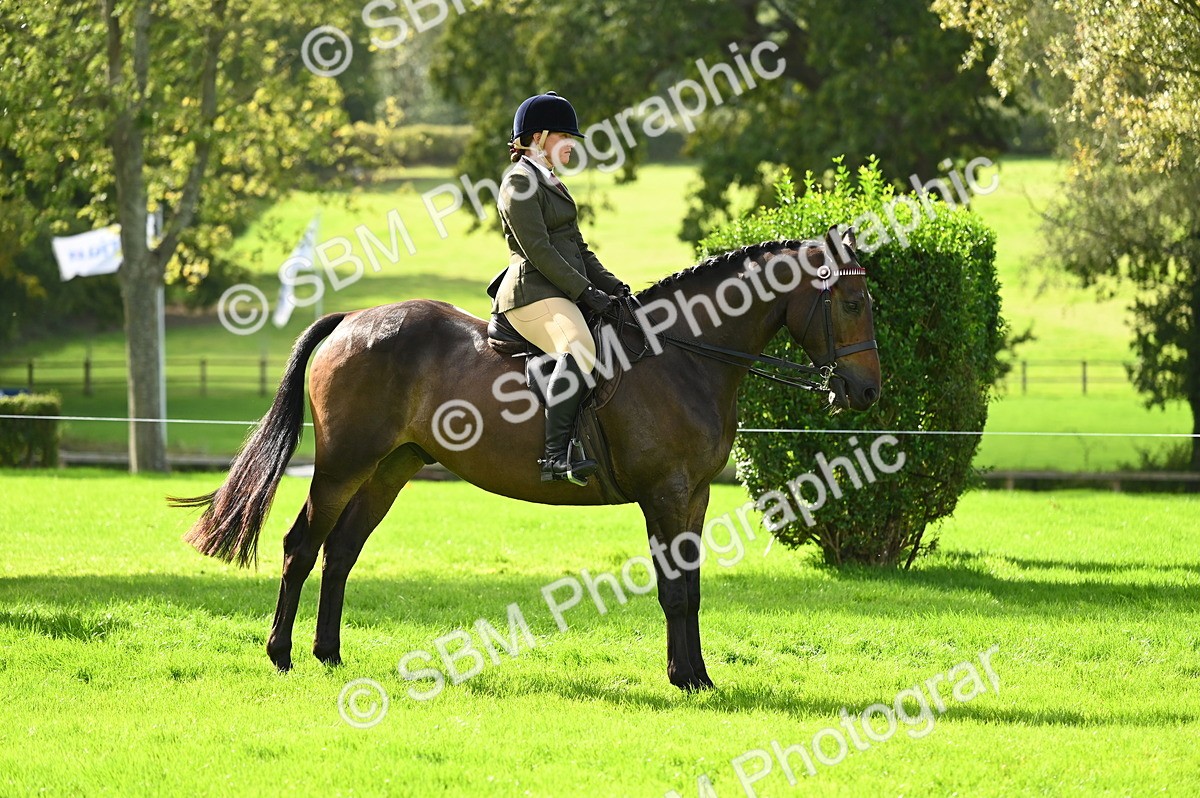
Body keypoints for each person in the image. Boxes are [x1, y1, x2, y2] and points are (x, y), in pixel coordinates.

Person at [490, 91, 630, 484]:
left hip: (560, 289)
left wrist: (614, 287)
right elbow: (539, 250)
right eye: (565, 138)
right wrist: (586, 293)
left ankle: (547, 370)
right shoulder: (518, 182)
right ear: (540, 137)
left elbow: (577, 248)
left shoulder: (551, 182)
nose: (572, 146)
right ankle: (556, 458)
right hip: (531, 292)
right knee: (581, 349)